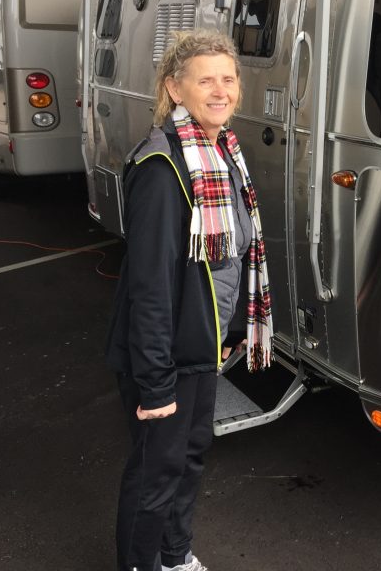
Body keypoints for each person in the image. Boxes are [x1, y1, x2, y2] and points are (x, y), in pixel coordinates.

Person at [106, 29, 273, 571]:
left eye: (229, 79)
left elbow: (233, 256)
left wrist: (231, 331)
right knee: (156, 472)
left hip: (200, 345)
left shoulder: (223, 154)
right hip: (165, 355)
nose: (221, 90)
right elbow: (150, 287)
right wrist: (156, 382)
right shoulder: (162, 168)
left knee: (188, 459)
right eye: (206, 81)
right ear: (175, 89)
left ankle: (174, 557)